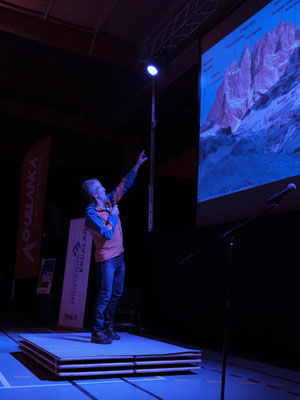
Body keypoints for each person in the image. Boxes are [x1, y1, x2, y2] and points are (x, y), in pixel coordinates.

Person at [82, 151, 147, 344]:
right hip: (106, 260)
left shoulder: (109, 201)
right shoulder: (91, 214)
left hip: (119, 256)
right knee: (105, 294)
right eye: (101, 188)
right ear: (95, 195)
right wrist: (113, 215)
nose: (105, 189)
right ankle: (97, 331)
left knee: (117, 293)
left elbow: (123, 186)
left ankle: (108, 327)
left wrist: (136, 165)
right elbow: (107, 233)